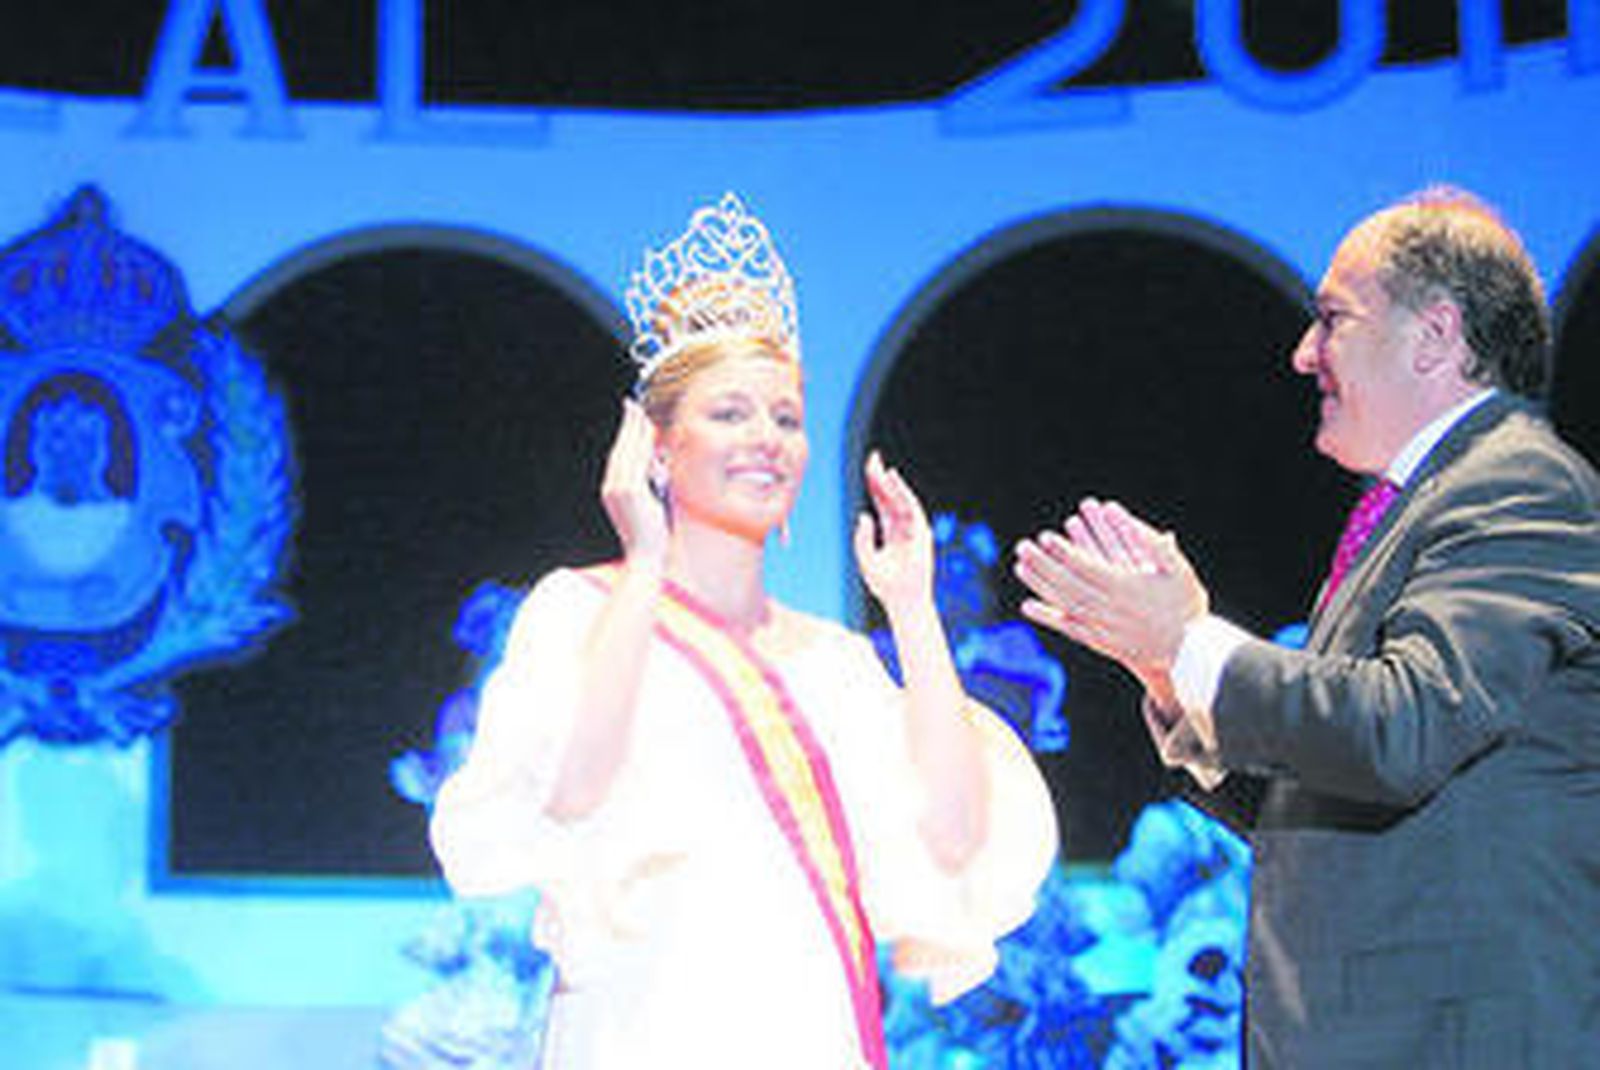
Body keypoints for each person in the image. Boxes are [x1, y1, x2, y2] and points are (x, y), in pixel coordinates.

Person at [430, 192, 1057, 1069]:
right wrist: (644, 560)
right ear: (657, 447)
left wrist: (913, 611)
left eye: (786, 418)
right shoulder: (578, 612)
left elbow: (951, 840)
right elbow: (569, 795)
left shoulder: (837, 663)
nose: (766, 438)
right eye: (730, 413)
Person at [1014, 187, 1600, 1066]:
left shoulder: (1520, 485)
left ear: (1436, 335)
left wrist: (1191, 639)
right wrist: (1174, 680)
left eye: (1333, 320)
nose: (1302, 354)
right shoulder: (1412, 510)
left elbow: (1401, 728)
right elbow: (1340, 790)